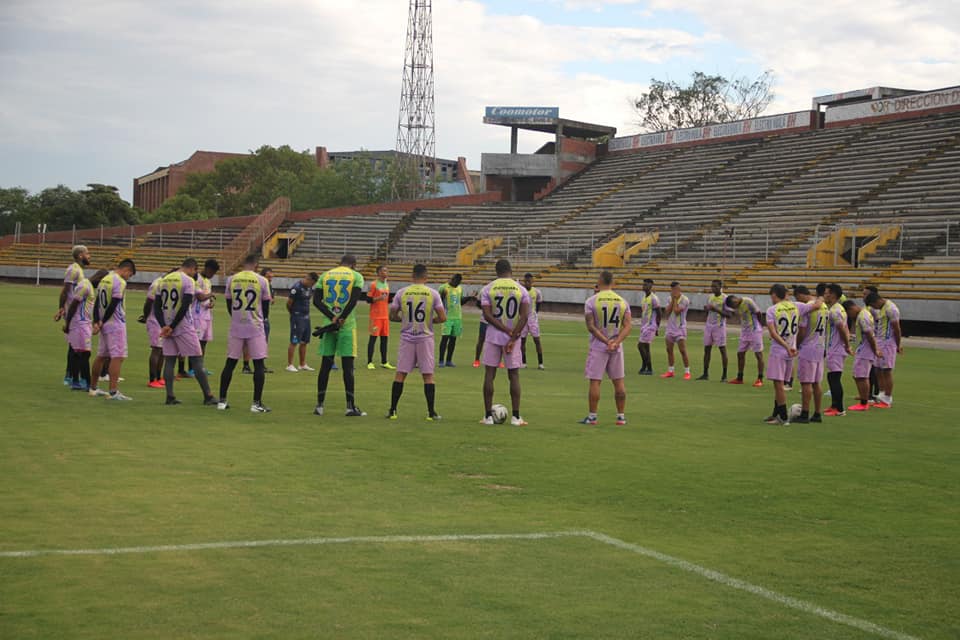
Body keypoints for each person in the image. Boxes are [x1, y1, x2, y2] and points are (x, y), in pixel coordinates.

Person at [386, 264, 446, 420]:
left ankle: (393, 410)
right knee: (428, 375)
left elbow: (392, 315)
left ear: (412, 277)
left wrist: (403, 320)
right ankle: (431, 413)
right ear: (426, 278)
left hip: (407, 337)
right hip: (425, 337)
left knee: (400, 374)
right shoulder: (432, 293)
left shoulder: (402, 292)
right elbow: (442, 317)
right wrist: (430, 321)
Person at [154, 258, 217, 406]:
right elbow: (185, 305)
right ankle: (208, 396)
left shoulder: (163, 280)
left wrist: (165, 326)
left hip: (167, 325)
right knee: (196, 360)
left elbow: (156, 307)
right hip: (183, 325)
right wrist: (174, 325)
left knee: (169, 360)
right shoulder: (187, 281)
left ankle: (169, 396)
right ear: (192, 268)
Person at [313, 254, 367, 417]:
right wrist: (342, 317)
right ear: (353, 264)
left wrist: (332, 317)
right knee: (348, 367)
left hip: (328, 326)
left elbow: (316, 301)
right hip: (347, 326)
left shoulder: (325, 274)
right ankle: (350, 406)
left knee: (325, 365)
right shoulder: (356, 276)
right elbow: (353, 300)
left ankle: (319, 406)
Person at [218, 254, 272, 413]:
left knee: (230, 363)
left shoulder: (232, 279)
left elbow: (229, 303)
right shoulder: (262, 280)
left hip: (236, 326)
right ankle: (256, 403)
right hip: (255, 326)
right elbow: (266, 304)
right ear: (256, 265)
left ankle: (222, 401)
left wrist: (236, 317)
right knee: (259, 364)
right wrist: (262, 318)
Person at [480, 259, 530, 426]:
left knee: (489, 374)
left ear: (496, 271)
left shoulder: (488, 289)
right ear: (511, 270)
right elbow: (524, 316)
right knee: (514, 375)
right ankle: (516, 417)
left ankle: (487, 417)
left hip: (493, 335)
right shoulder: (521, 290)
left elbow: (487, 315)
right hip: (512, 339)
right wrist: (513, 335)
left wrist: (503, 329)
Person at [580, 271, 632, 426]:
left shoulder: (591, 301)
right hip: (616, 346)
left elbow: (591, 326)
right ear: (613, 282)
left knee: (595, 381)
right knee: (619, 382)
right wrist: (616, 341)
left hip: (599, 345)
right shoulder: (622, 301)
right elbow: (628, 325)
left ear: (600, 281)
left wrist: (606, 341)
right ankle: (621, 416)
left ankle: (592, 416)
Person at [89, 259, 137, 401]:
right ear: (126, 270)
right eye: (130, 275)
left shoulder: (105, 279)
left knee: (102, 355)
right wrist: (103, 321)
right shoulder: (120, 282)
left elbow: (98, 302)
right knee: (118, 356)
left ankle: (93, 388)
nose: (128, 277)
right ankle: (113, 391)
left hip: (104, 323)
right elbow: (114, 304)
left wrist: (97, 321)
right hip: (115, 323)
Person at [63, 269, 108, 391]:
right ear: (99, 279)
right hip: (79, 324)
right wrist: (68, 323)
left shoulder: (88, 286)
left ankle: (77, 381)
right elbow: (73, 305)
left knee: (80, 353)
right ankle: (86, 383)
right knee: (83, 353)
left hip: (84, 323)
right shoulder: (85, 286)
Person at [763, 284, 799, 425]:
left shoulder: (772, 310)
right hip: (792, 351)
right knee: (779, 383)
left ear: (774, 295)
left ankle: (783, 417)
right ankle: (776, 413)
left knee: (778, 384)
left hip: (780, 350)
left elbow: (773, 333)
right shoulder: (795, 306)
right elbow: (813, 304)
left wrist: (786, 345)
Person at [55, 245, 91, 385]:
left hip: (77, 313)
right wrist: (61, 308)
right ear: (80, 255)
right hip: (74, 313)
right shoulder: (73, 270)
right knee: (76, 346)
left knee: (74, 345)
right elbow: (65, 291)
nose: (89, 256)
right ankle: (71, 376)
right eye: (87, 253)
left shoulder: (79, 270)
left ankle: (71, 375)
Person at [793, 285, 827, 423]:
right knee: (816, 382)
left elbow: (802, 330)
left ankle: (805, 414)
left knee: (806, 383)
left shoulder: (807, 308)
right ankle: (817, 413)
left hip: (808, 347)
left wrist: (796, 344)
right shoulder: (824, 306)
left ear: (800, 295)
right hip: (820, 347)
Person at [865, 291, 901, 408]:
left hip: (888, 343)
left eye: (873, 305)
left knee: (886, 370)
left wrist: (898, 344)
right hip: (880, 342)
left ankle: (888, 398)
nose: (874, 308)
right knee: (878, 369)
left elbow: (897, 329)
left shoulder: (891, 309)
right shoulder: (882, 308)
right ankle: (881, 394)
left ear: (876, 301)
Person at [823, 284, 853, 416]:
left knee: (834, 378)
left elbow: (841, 328)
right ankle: (834, 405)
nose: (825, 295)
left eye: (827, 293)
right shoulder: (838, 309)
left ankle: (840, 409)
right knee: (832, 377)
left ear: (833, 294)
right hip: (835, 347)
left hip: (836, 348)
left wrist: (847, 345)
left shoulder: (835, 311)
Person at [844, 299, 878, 412]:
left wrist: (875, 349)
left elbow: (869, 335)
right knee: (858, 375)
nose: (850, 316)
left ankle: (864, 402)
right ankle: (863, 397)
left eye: (849, 313)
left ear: (851, 309)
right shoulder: (864, 313)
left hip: (866, 350)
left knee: (862, 376)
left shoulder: (863, 317)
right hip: (864, 348)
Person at [723, 294, 765, 386]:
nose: (735, 308)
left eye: (734, 306)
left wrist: (760, 325)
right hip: (745, 331)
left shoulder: (748, 301)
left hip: (754, 330)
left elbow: (758, 313)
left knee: (758, 354)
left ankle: (760, 379)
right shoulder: (736, 306)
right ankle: (740, 377)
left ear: (735, 300)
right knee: (740, 353)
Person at [285, 272, 318, 372]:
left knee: (304, 341)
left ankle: (302, 364)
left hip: (306, 317)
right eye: (312, 283)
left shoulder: (309, 288)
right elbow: (289, 303)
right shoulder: (297, 288)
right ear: (309, 279)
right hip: (297, 317)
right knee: (294, 341)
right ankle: (290, 364)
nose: (312, 285)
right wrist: (293, 313)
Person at [698, 279, 730, 381]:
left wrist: (715, 309)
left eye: (715, 286)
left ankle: (724, 375)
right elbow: (708, 310)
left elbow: (728, 315)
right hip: (709, 326)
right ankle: (705, 373)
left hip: (719, 326)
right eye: (712, 286)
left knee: (722, 350)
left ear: (720, 287)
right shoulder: (710, 297)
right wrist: (706, 309)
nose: (713, 288)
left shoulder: (725, 298)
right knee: (707, 349)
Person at [140, 272, 168, 389]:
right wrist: (145, 317)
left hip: (163, 320)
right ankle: (152, 379)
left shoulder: (165, 283)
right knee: (156, 349)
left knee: (162, 350)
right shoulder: (156, 284)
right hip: (154, 320)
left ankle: (158, 377)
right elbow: (148, 302)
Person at [192, 258, 220, 371]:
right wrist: (210, 295)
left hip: (206, 315)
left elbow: (206, 298)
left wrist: (210, 303)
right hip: (197, 315)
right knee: (196, 342)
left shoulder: (207, 281)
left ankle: (200, 367)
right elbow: (200, 297)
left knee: (204, 342)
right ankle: (192, 368)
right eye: (212, 273)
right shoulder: (197, 278)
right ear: (208, 269)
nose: (212, 275)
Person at [660, 282, 691, 379]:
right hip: (670, 328)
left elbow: (677, 311)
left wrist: (675, 300)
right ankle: (670, 371)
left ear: (679, 289)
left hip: (680, 328)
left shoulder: (685, 300)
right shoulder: (670, 298)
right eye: (672, 289)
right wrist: (673, 299)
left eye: (676, 289)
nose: (674, 291)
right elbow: (667, 312)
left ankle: (687, 372)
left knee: (682, 350)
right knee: (669, 350)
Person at [366, 265, 395, 370]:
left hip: (385, 316)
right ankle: (369, 362)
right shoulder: (373, 284)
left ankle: (384, 361)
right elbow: (368, 299)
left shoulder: (387, 284)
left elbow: (385, 300)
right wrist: (378, 298)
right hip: (375, 316)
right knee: (373, 339)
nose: (385, 272)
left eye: (387, 270)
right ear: (378, 272)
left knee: (384, 339)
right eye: (383, 270)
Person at [438, 273, 465, 367]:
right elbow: (438, 301)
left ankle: (449, 360)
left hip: (457, 317)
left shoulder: (460, 289)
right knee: (445, 338)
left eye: (458, 282)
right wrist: (442, 296)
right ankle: (441, 360)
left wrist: (470, 298)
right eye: (454, 281)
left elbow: (460, 302)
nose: (456, 283)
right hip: (447, 317)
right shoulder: (443, 288)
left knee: (453, 340)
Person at [636, 278, 661, 375]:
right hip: (644, 326)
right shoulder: (644, 298)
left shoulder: (654, 298)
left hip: (650, 325)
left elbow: (659, 313)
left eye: (646, 285)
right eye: (643, 284)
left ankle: (648, 367)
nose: (644, 286)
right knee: (646, 347)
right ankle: (646, 367)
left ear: (651, 286)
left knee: (640, 345)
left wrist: (657, 327)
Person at [520, 273, 545, 370]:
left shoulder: (537, 292)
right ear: (524, 281)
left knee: (537, 340)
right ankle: (523, 362)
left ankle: (540, 363)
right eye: (526, 281)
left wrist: (534, 313)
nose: (528, 283)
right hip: (523, 318)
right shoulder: (521, 292)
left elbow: (539, 303)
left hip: (532, 318)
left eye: (529, 281)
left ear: (532, 282)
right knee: (522, 341)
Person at [862, 285, 881, 400]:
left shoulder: (873, 309)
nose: (863, 296)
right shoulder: (869, 308)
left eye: (865, 294)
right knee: (873, 368)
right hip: (871, 339)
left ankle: (872, 394)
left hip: (875, 339)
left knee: (873, 369)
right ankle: (871, 393)